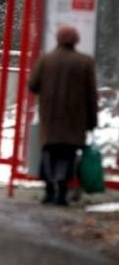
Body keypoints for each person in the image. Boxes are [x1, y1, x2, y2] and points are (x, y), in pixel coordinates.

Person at [28, 25, 98, 206]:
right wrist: (92, 120)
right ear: (76, 40)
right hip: (75, 119)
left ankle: (49, 190)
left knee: (49, 151)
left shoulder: (46, 60)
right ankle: (62, 191)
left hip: (50, 117)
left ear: (58, 39)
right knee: (67, 153)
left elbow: (33, 85)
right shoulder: (85, 62)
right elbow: (91, 95)